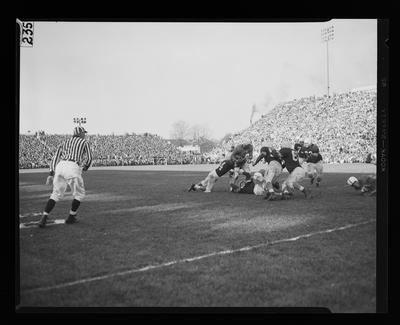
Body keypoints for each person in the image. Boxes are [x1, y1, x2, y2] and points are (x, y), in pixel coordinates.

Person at [38, 126, 93, 227]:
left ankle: (44, 217)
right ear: (80, 133)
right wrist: (85, 167)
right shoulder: (84, 142)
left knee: (55, 194)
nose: (85, 134)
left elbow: (55, 157)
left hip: (60, 165)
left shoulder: (64, 142)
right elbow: (89, 158)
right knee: (79, 194)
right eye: (84, 133)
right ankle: (71, 217)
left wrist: (51, 173)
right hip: (72, 166)